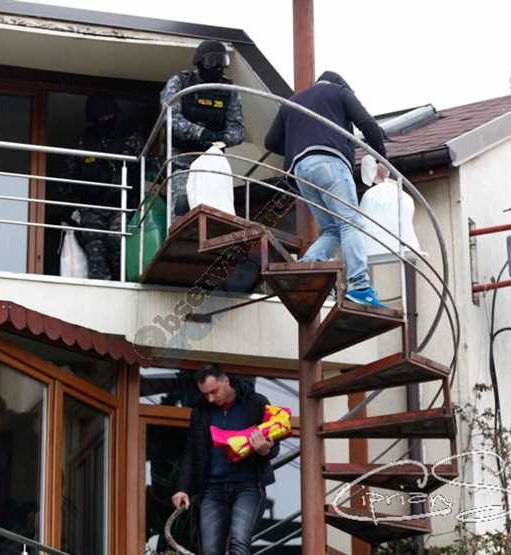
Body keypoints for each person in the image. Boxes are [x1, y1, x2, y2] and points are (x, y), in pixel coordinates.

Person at [264, 71, 388, 307]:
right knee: (350, 222)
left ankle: (307, 266)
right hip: (330, 164)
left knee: (332, 230)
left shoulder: (291, 103)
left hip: (301, 171)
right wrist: (381, 159)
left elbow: (270, 142)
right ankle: (360, 286)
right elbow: (368, 124)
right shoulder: (338, 92)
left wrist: (298, 145)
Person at [171, 364, 279, 555]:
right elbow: (191, 451)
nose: (211, 398)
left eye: (214, 391)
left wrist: (265, 450)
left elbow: (274, 445)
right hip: (212, 489)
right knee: (210, 550)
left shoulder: (256, 402)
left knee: (239, 540)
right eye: (205, 394)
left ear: (226, 380)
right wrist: (182, 488)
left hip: (248, 486)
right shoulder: (200, 411)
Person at [160, 40, 244, 221]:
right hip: (182, 157)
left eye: (223, 62)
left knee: (215, 209)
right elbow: (170, 118)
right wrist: (200, 133)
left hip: (212, 160)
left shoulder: (229, 90)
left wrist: (222, 138)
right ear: (200, 62)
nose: (219, 68)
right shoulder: (180, 82)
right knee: (182, 206)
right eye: (213, 62)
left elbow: (237, 129)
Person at [66, 92, 144, 280]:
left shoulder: (130, 138)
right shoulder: (84, 141)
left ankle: (120, 281)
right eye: (101, 115)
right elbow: (70, 174)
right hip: (92, 205)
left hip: (121, 204)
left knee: (118, 240)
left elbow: (145, 166)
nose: (105, 118)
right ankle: (101, 283)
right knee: (94, 243)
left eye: (108, 114)